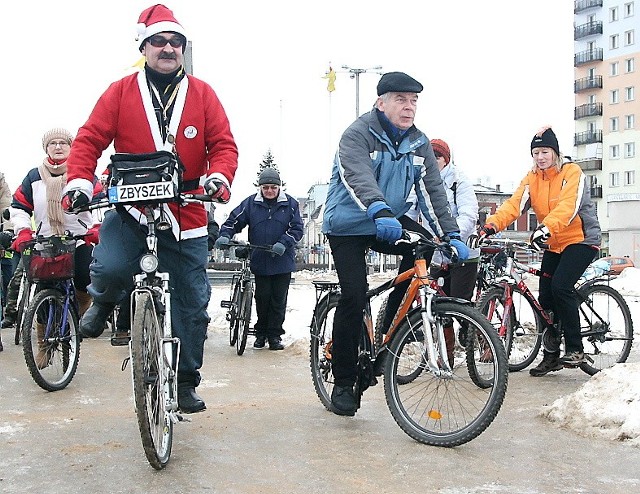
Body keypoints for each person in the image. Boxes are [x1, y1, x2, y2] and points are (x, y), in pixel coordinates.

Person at [61, 4, 238, 414]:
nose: (168, 48)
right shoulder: (120, 91)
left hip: (187, 211)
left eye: (176, 42)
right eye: (158, 41)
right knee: (109, 267)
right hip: (131, 207)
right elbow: (88, 140)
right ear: (144, 46)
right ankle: (104, 302)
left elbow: (223, 145)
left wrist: (218, 178)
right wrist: (80, 184)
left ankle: (185, 383)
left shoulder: (203, 93)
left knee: (192, 305)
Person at [321, 71, 470, 416]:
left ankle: (392, 324)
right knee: (354, 295)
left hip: (389, 218)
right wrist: (378, 209)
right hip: (348, 221)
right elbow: (356, 176)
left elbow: (434, 195)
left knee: (426, 248)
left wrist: (451, 235)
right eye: (401, 99)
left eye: (414, 100)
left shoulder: (419, 143)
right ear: (381, 102)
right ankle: (344, 381)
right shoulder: (357, 135)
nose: (409, 107)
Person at [468, 126, 601, 376]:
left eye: (545, 151)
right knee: (546, 299)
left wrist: (545, 228)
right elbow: (513, 204)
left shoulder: (572, 173)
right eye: (536, 152)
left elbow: (568, 206)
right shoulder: (532, 178)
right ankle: (551, 356)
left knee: (561, 286)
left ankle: (575, 347)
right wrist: (491, 226)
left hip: (581, 239)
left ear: (555, 152)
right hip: (552, 242)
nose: (540, 157)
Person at [6, 128, 101, 364]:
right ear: (46, 148)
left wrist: (96, 229)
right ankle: (44, 345)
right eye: (52, 144)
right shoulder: (33, 177)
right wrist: (23, 230)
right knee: (42, 289)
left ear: (71, 147)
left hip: (78, 238)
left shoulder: (82, 174)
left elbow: (100, 204)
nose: (58, 147)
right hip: (45, 240)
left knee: (84, 275)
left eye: (63, 143)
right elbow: (18, 207)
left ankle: (75, 314)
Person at [215, 167, 303, 350]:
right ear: (260, 188)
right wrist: (225, 234)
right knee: (262, 298)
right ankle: (260, 333)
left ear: (279, 187)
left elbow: (297, 229)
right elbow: (234, 220)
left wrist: (284, 243)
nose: (269, 191)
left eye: (273, 187)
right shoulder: (250, 204)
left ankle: (274, 336)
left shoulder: (291, 204)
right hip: (260, 259)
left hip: (282, 261)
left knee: (278, 300)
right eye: (265, 187)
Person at [417, 138, 480, 365]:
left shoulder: (458, 181)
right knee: (436, 305)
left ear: (446, 159)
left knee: (458, 304)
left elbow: (469, 214)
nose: (433, 161)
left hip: (462, 253)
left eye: (438, 157)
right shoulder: (422, 181)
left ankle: (478, 336)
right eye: (429, 157)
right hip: (435, 253)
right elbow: (412, 209)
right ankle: (447, 356)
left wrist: (450, 236)